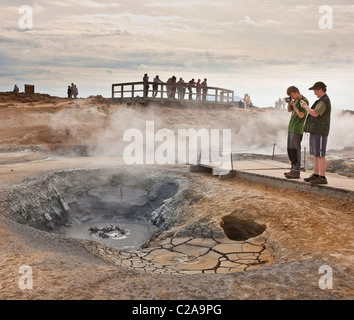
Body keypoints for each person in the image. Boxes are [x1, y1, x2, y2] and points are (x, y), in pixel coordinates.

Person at [300, 81, 331, 185]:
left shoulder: (323, 101)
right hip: (316, 130)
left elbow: (315, 114)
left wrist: (305, 107)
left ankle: (322, 177)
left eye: (315, 90)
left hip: (320, 131)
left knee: (320, 154)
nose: (314, 93)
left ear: (320, 90)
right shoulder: (321, 101)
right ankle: (316, 174)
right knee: (315, 153)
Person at [284, 86, 309, 179]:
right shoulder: (296, 101)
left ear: (296, 92)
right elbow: (289, 110)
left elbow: (302, 115)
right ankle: (293, 169)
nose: (292, 97)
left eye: (292, 95)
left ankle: (296, 171)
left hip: (297, 129)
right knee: (290, 150)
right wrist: (289, 104)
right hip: (291, 128)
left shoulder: (304, 100)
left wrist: (294, 105)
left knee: (295, 150)